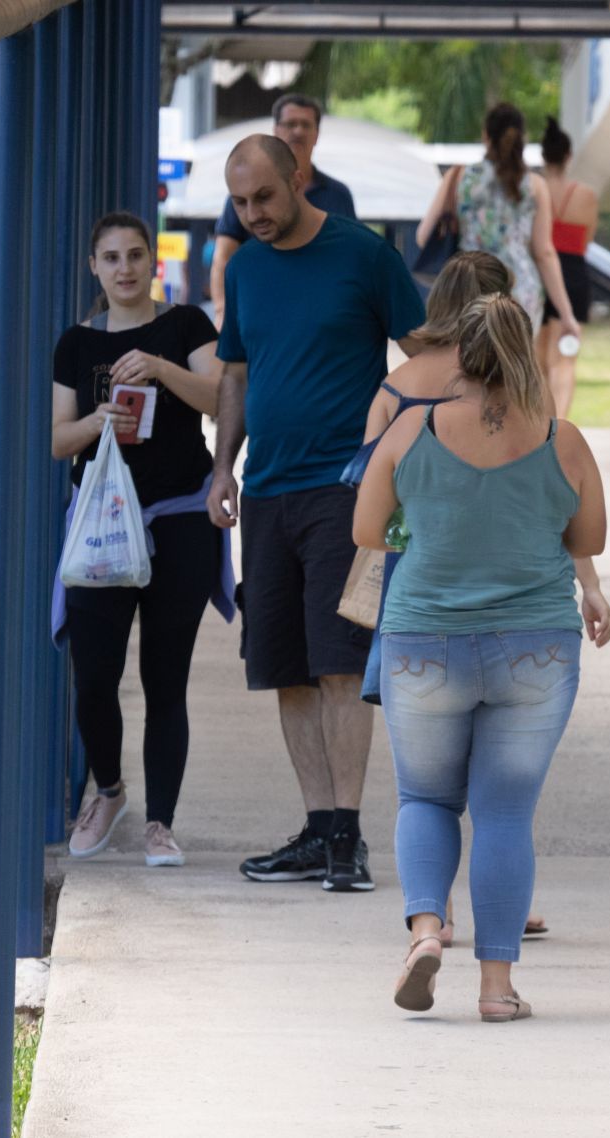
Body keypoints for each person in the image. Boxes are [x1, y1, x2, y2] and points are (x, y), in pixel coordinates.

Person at [341, 250, 610, 945]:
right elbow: (589, 535)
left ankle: (428, 930)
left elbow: (368, 526)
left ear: (459, 348)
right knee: (502, 813)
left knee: (427, 798)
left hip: (423, 633)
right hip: (535, 645)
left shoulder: (408, 419)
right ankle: (497, 986)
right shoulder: (561, 435)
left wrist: (430, 522)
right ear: (524, 352)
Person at [209, 135, 426, 894]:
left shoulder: (364, 256)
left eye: (263, 197)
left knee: (340, 662)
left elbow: (423, 350)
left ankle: (349, 835)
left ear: (299, 179)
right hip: (266, 491)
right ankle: (316, 829)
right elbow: (235, 373)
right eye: (239, 202)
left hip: (348, 492)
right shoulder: (245, 268)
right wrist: (221, 470)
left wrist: (414, 449)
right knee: (285, 670)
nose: (252, 214)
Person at [50, 211, 227, 867]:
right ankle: (110, 791)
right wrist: (101, 417)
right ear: (94, 267)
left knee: (165, 678)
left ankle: (161, 822)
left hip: (178, 519)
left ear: (153, 260)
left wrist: (158, 367)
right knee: (93, 676)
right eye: (111, 257)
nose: (124, 267)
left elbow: (217, 397)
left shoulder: (184, 326)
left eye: (134, 255)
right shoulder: (76, 343)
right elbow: (55, 438)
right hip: (101, 525)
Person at [416, 103, 582, 346]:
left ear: (486, 136)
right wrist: (567, 316)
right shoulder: (535, 186)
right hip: (520, 293)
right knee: (513, 371)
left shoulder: (458, 176)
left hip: (469, 289)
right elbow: (544, 253)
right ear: (522, 138)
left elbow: (423, 236)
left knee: (469, 368)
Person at [209, 93, 356, 330]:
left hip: (321, 319)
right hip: (257, 314)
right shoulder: (245, 194)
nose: (297, 131)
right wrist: (222, 311)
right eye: (290, 124)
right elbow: (223, 257)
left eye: (306, 125)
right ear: (276, 130)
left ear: (317, 134)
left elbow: (351, 259)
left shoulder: (338, 195)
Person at [536, 116, 598, 418]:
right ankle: (560, 424)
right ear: (568, 156)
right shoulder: (586, 196)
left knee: (538, 357)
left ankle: (541, 422)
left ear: (543, 156)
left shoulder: (533, 190)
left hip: (538, 273)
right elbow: (587, 241)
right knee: (565, 358)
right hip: (572, 275)